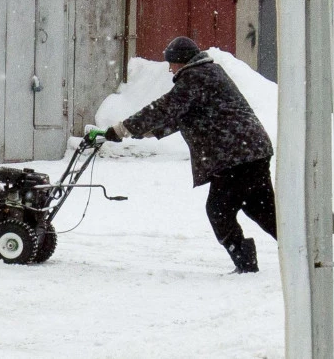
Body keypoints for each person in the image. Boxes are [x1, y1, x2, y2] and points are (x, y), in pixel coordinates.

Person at [103, 36, 277, 273]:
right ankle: (305, 248)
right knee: (262, 210)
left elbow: (165, 108)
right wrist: (141, 133)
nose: (169, 68)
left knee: (219, 210)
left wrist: (122, 129)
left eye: (171, 63)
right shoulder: (208, 74)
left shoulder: (196, 77)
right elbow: (183, 116)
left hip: (234, 156)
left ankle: (246, 264)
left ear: (182, 61)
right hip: (251, 150)